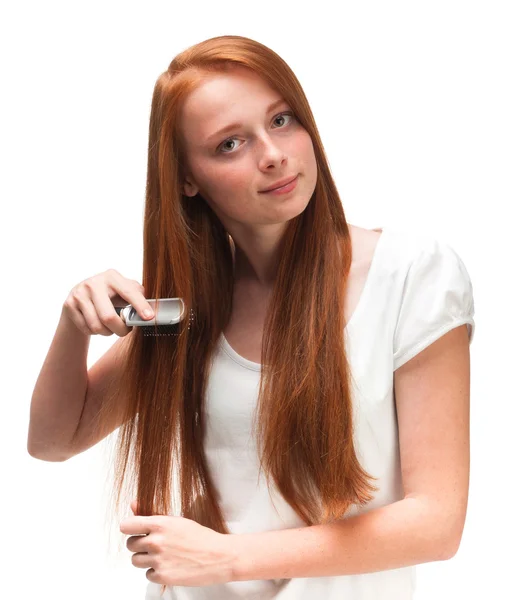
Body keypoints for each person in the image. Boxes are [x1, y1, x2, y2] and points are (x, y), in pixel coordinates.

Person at [27, 35, 476, 600]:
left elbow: (435, 524)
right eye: (230, 144)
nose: (272, 153)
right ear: (187, 178)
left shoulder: (412, 275)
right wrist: (73, 325)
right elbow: (52, 441)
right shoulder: (188, 310)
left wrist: (223, 558)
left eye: (282, 120)